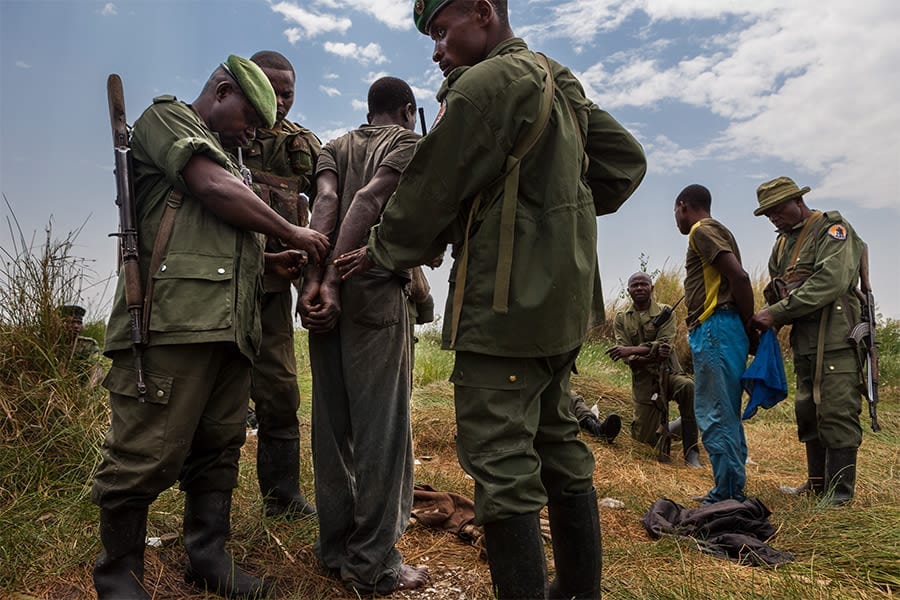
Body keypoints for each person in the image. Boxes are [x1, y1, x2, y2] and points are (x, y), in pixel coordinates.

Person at [334, 2, 647, 597]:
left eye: (441, 31)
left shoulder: (482, 86)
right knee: (558, 443)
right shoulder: (555, 76)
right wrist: (551, 212)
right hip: (562, 306)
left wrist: (380, 251)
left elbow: (428, 192)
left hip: (503, 309)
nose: (436, 49)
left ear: (483, 12)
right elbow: (625, 164)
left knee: (500, 462)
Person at [91, 55, 329, 600]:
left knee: (219, 446)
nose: (254, 134)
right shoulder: (168, 120)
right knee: (145, 450)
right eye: (250, 120)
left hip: (232, 328)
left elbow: (217, 239)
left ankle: (208, 557)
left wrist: (269, 262)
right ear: (222, 92)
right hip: (173, 323)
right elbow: (212, 189)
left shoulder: (233, 157)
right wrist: (293, 231)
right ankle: (119, 577)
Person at [297, 76, 429, 595]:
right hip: (373, 292)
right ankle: (373, 564)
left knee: (333, 430)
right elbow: (372, 199)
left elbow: (326, 201)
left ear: (368, 109)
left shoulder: (333, 146)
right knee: (383, 436)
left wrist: (314, 282)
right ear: (407, 109)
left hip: (324, 300)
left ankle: (335, 549)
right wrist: (334, 278)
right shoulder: (406, 142)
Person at [749, 177, 865, 505]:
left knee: (837, 412)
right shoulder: (782, 245)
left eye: (777, 209)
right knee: (809, 412)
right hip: (806, 343)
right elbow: (777, 288)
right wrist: (772, 313)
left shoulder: (832, 229)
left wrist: (776, 312)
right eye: (768, 214)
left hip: (838, 341)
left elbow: (831, 280)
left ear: (798, 201)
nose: (773, 217)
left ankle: (839, 495)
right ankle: (816, 485)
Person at [243, 50, 320, 519]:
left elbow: (330, 195)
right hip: (222, 286)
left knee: (280, 392)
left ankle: (282, 498)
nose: (280, 101)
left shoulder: (300, 145)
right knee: (212, 399)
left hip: (273, 289)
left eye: (287, 93)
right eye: (271, 91)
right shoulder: (220, 134)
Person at [674, 184, 756, 505]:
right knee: (725, 410)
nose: (676, 219)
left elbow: (740, 277)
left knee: (715, 412)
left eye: (675, 212)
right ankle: (730, 486)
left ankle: (728, 493)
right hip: (723, 328)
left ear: (683, 205)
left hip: (715, 328)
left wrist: (749, 325)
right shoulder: (720, 231)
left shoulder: (701, 230)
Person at [606, 272, 701, 467]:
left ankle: (691, 451)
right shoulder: (622, 319)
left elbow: (665, 343)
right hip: (644, 381)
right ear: (628, 290)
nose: (639, 288)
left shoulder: (666, 312)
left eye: (644, 284)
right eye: (635, 285)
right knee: (645, 442)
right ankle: (676, 426)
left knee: (687, 387)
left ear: (652, 288)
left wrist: (632, 350)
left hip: (669, 372)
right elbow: (627, 358)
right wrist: (651, 355)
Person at [59, 304, 104, 386]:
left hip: (80, 386)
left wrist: (87, 391)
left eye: (79, 323)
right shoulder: (49, 343)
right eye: (71, 322)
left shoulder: (89, 344)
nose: (76, 326)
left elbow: (96, 369)